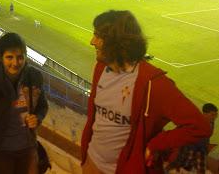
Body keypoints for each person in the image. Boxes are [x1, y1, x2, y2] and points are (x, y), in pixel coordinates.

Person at [81, 10, 211, 174]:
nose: (92, 41)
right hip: (91, 162)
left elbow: (199, 127)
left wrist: (156, 143)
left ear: (118, 42)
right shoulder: (101, 68)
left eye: (99, 36)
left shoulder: (154, 83)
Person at [0, 33, 48, 174]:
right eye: (9, 57)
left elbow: (43, 105)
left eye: (20, 57)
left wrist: (37, 117)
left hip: (27, 150)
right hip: (1, 153)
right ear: (1, 57)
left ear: (26, 57)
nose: (15, 63)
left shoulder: (34, 77)